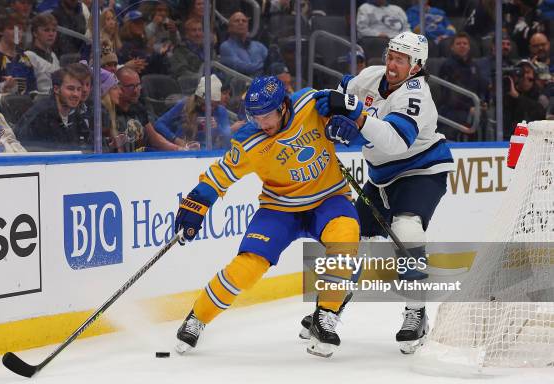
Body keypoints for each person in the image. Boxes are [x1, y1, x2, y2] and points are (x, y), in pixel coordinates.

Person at [174, 75, 360, 358]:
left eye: (267, 115)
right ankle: (196, 318)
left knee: (345, 238)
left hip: (328, 199)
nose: (262, 123)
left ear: (284, 105)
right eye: (255, 116)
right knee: (246, 267)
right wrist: (196, 204)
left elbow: (355, 112)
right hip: (279, 209)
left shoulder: (311, 102)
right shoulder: (249, 140)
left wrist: (350, 120)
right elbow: (218, 176)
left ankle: (325, 317)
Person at [310, 31, 454, 354]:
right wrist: (331, 115)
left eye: (400, 60)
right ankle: (330, 310)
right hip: (380, 178)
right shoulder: (370, 78)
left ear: (415, 67)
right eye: (390, 56)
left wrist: (357, 118)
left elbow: (394, 141)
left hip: (421, 171)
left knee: (406, 228)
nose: (391, 64)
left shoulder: (418, 96)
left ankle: (416, 313)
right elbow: (338, 96)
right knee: (347, 235)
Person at [15, 67, 87, 151]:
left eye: (79, 89)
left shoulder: (74, 114)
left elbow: (88, 141)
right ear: (56, 89)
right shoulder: (41, 116)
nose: (76, 94)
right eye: (70, 89)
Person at [115, 66, 184, 152]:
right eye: (131, 87)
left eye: (138, 85)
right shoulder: (109, 113)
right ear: (117, 87)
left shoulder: (138, 107)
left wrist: (179, 149)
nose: (136, 91)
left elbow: (154, 139)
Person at [154, 74, 231, 149]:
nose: (208, 109)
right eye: (204, 104)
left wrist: (217, 129)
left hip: (209, 154)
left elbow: (228, 140)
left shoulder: (221, 111)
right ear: (197, 100)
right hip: (184, 151)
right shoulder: (185, 104)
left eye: (213, 105)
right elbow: (159, 124)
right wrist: (176, 140)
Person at [0, 13, 37, 95]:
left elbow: (33, 86)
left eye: (20, 29)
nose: (17, 33)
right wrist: (4, 88)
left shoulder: (24, 56)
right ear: (0, 31)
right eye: (11, 29)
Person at [219, 11, 268, 76]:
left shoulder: (259, 45)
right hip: (241, 83)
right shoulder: (226, 46)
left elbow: (270, 61)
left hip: (264, 82)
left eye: (244, 21)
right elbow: (242, 68)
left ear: (247, 26)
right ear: (229, 28)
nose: (241, 23)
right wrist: (264, 66)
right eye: (236, 21)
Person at [24, 13, 60, 95]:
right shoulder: (28, 56)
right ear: (35, 33)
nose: (51, 34)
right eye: (46, 30)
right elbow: (28, 91)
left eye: (54, 30)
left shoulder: (53, 55)